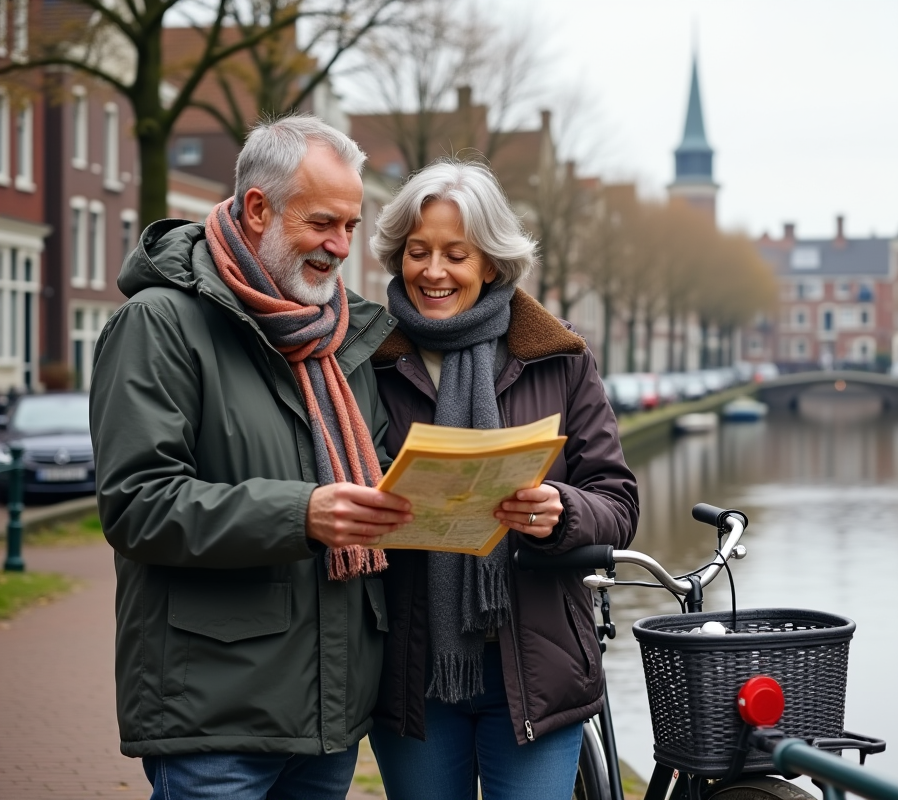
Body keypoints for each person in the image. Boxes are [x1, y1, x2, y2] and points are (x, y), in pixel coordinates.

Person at [89, 115, 413, 800]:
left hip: (327, 719)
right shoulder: (159, 323)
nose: (340, 247)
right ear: (259, 208)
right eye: (324, 223)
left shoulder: (339, 338)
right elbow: (138, 504)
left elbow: (379, 478)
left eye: (352, 228)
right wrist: (303, 514)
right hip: (215, 713)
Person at [366, 158, 639, 800]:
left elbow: (617, 500)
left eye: (455, 254)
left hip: (538, 664)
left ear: (490, 262)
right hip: (413, 668)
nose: (432, 272)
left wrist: (561, 512)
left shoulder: (560, 359)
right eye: (417, 251)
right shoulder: (368, 359)